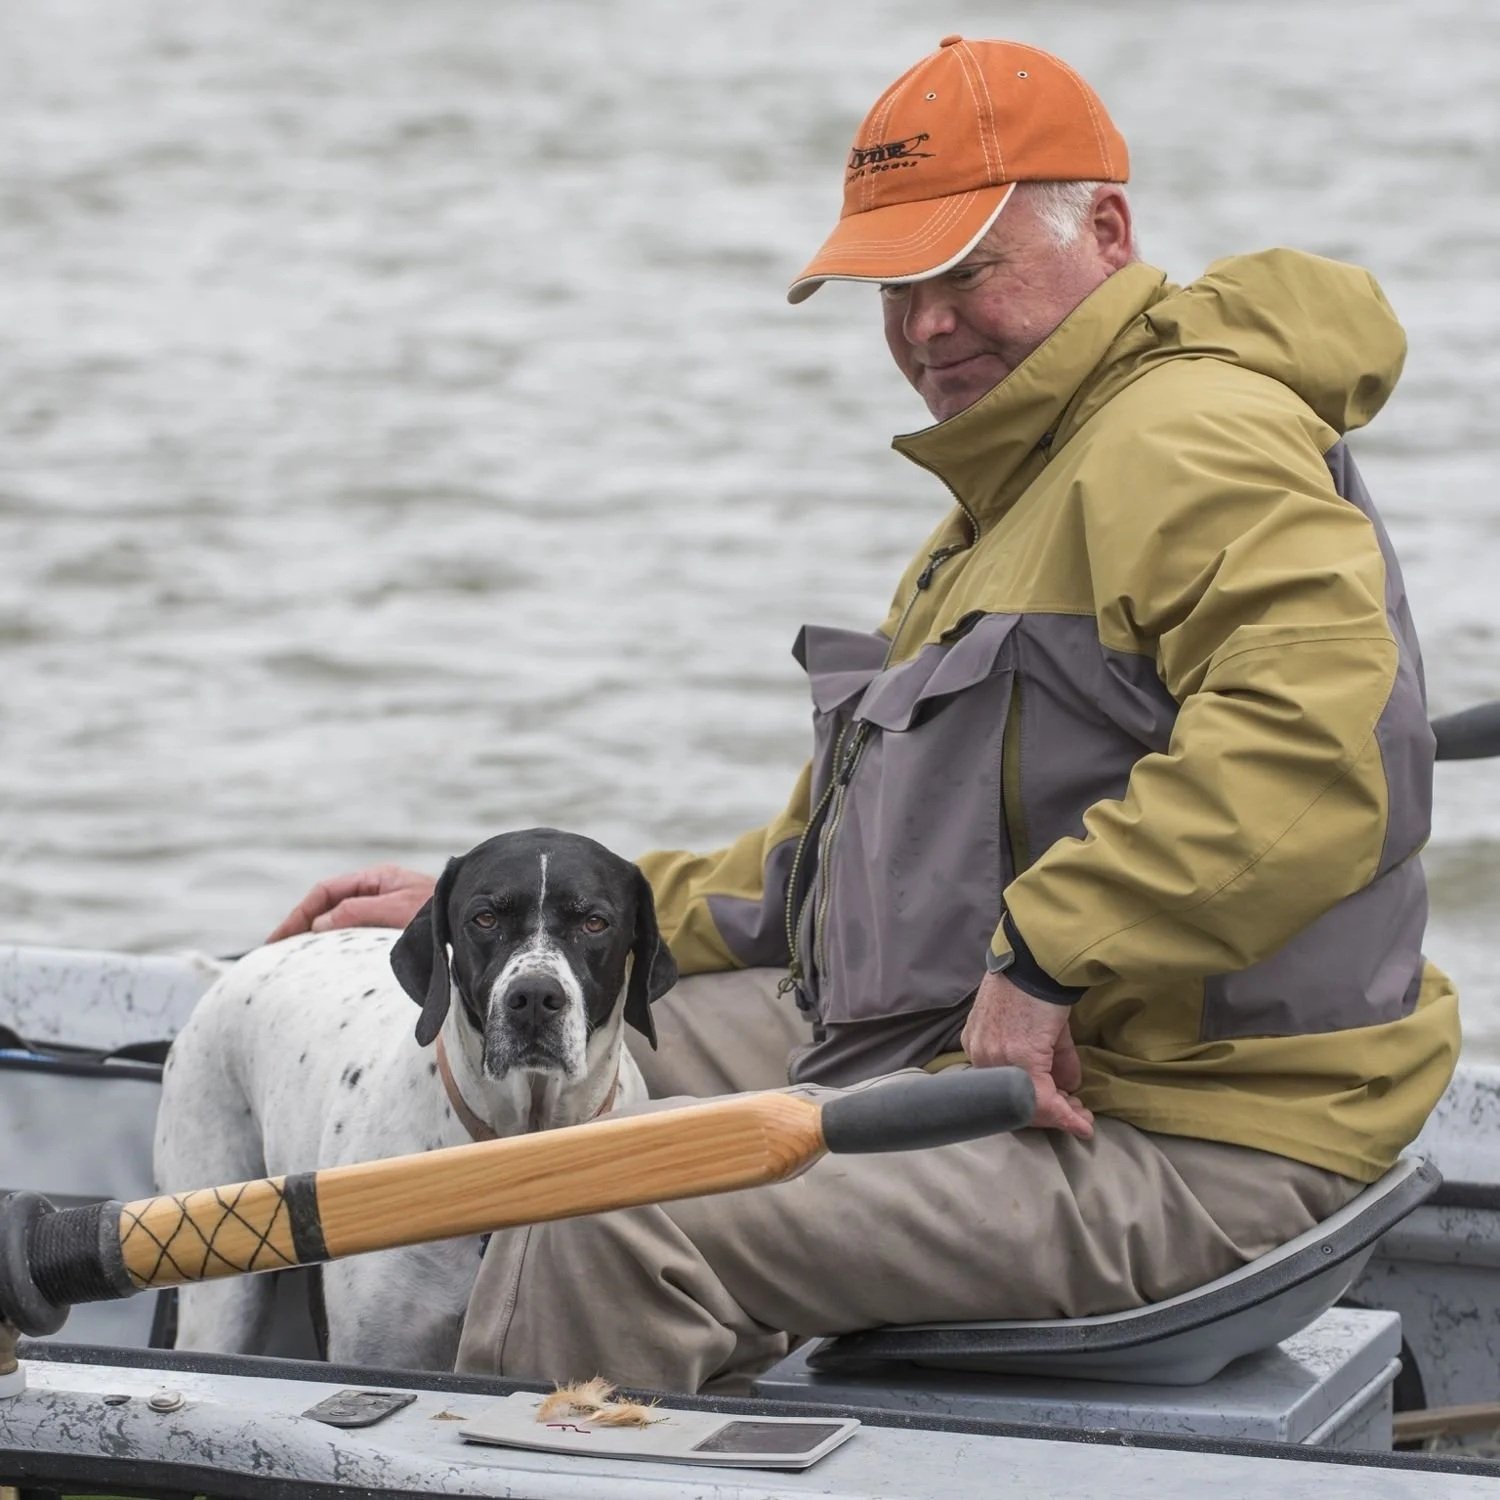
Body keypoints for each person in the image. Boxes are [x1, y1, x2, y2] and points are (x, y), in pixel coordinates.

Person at [269, 36, 1460, 1393]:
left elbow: (1320, 745)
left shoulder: (1185, 436)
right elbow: (819, 873)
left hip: (1192, 1131)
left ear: (1108, 230)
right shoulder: (1017, 491)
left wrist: (1048, 959)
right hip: (971, 1037)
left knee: (603, 1208)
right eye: (896, 286)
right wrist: (498, 913)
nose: (924, 325)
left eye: (966, 269)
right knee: (601, 1032)